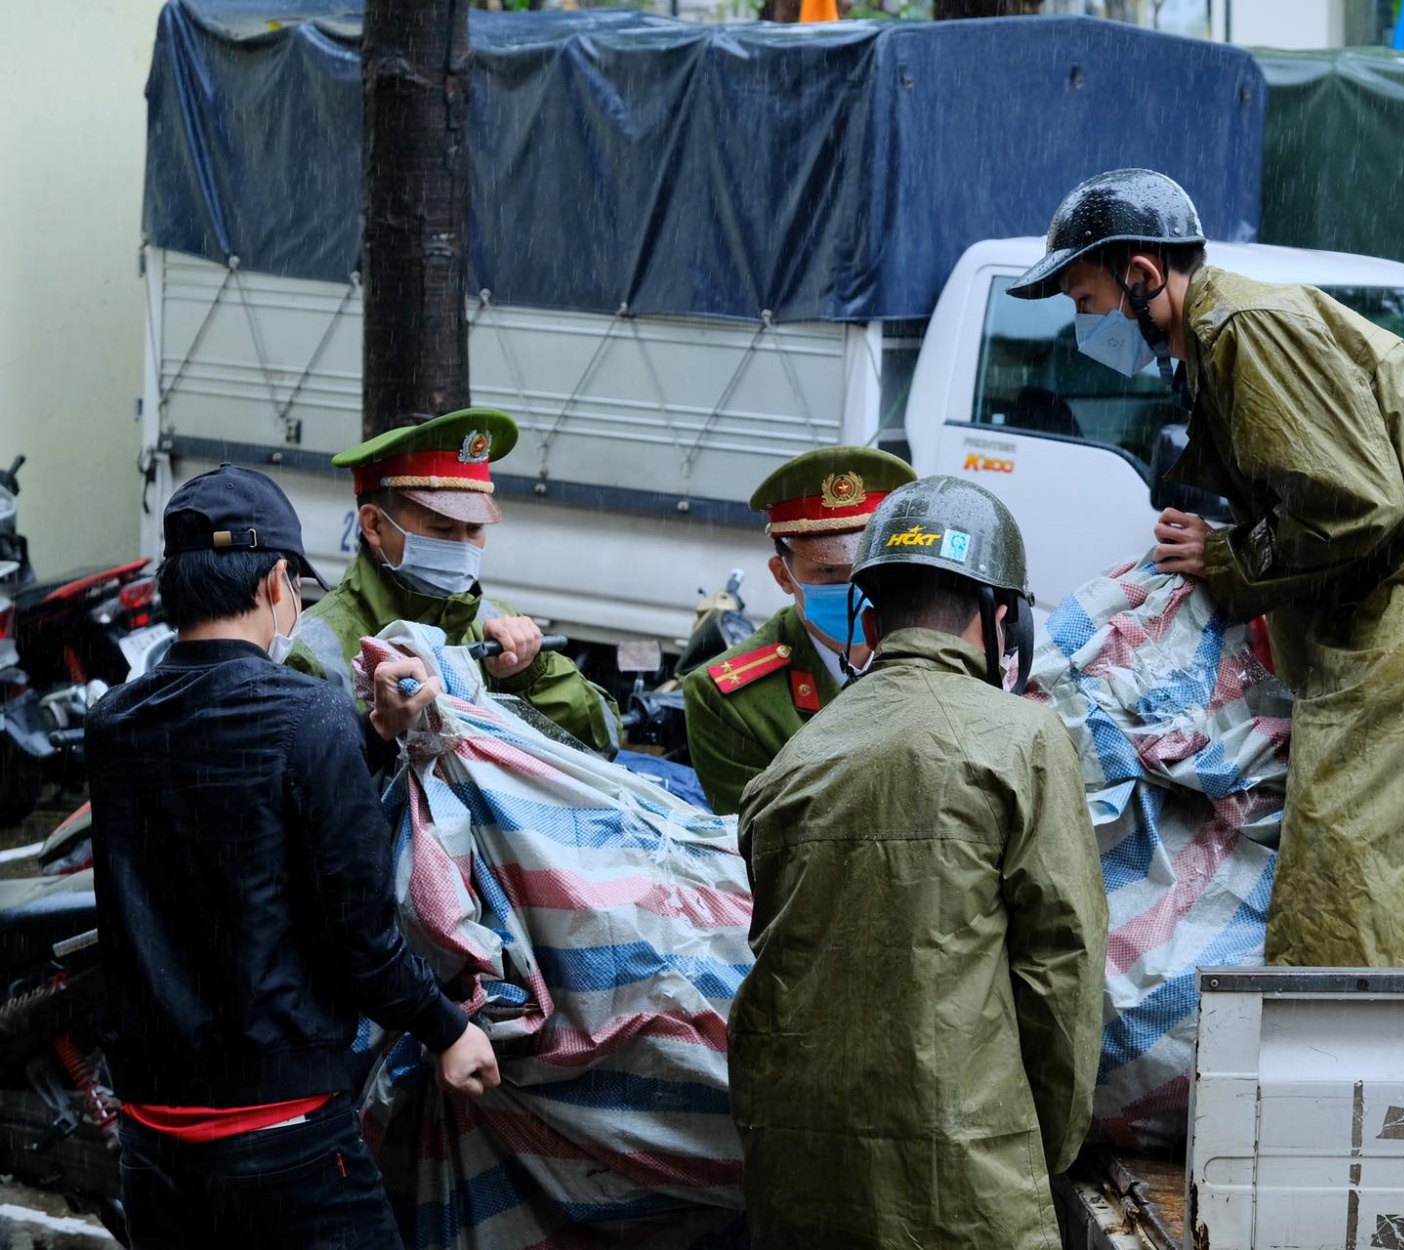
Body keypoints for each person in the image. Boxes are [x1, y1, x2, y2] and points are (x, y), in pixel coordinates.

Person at [1009, 168, 1404, 969]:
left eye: (1084, 300)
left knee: (1354, 810)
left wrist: (1227, 558)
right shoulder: (1221, 334)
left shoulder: (1240, 326)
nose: (1085, 324)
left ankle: (1364, 1037)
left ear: (1141, 277)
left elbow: (1354, 504)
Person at [87, 465, 498, 1248]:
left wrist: (370, 740)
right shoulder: (303, 714)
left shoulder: (114, 722)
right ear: (278, 580)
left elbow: (231, 823)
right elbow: (361, 938)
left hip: (152, 1130)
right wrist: (448, 1029)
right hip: (282, 1132)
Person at [729, 477, 1107, 1250]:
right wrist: (1049, 1153)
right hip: (965, 1184)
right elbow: (1061, 970)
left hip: (796, 1173)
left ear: (868, 614)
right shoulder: (1022, 740)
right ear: (1004, 616)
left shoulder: (795, 758)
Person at [286, 408, 621, 755]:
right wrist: (380, 732)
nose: (462, 545)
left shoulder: (493, 623)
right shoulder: (312, 650)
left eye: (474, 529)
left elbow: (603, 743)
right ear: (373, 526)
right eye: (442, 527)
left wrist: (529, 676)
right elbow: (303, 789)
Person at [680, 445, 916, 814]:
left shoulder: (936, 655)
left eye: (867, 567)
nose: (854, 585)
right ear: (782, 576)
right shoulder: (729, 699)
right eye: (827, 571)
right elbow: (762, 841)